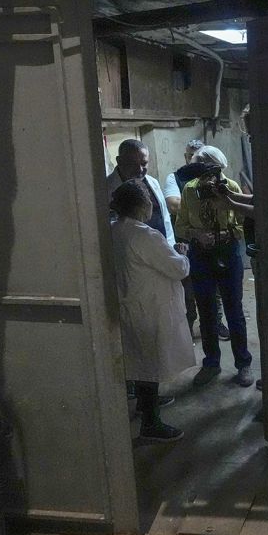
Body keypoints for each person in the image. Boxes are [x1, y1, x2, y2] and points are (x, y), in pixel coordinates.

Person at [110, 180, 191, 444]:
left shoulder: (113, 230)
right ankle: (151, 423)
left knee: (141, 359)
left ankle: (148, 403)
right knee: (149, 361)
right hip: (149, 306)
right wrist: (182, 253)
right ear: (141, 205)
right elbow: (177, 269)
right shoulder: (145, 236)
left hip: (129, 303)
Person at [176, 145, 254, 387]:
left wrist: (227, 233)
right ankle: (211, 363)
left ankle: (243, 364)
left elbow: (244, 224)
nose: (204, 177)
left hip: (228, 252)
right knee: (207, 312)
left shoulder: (230, 187)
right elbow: (181, 226)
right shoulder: (189, 190)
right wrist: (196, 234)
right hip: (201, 255)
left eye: (208, 170)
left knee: (234, 311)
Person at [164, 139, 229, 341]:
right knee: (189, 290)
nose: (195, 159)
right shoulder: (176, 178)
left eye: (199, 155)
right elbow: (174, 205)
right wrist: (198, 198)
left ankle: (216, 323)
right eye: (191, 155)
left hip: (217, 243)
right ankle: (189, 327)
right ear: (186, 157)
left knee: (216, 289)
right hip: (189, 242)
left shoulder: (218, 177)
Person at [107, 139, 174, 247]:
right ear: (119, 161)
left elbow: (165, 219)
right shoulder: (106, 190)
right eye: (133, 164)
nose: (139, 169)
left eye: (144, 163)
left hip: (161, 254)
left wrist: (171, 247)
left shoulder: (153, 183)